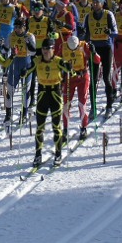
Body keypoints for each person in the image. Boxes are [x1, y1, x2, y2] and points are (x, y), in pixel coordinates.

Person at [23, 38, 73, 167]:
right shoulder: (37, 60)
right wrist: (24, 71)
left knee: (56, 127)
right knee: (40, 128)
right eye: (44, 49)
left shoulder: (58, 61)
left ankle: (58, 154)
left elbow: (70, 72)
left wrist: (69, 67)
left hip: (55, 94)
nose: (46, 51)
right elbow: (27, 71)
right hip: (42, 95)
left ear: (53, 49)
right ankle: (38, 155)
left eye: (49, 49)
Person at [61, 35, 95, 140]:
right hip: (69, 78)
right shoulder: (63, 46)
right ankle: (65, 129)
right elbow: (56, 60)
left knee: (81, 103)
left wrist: (93, 52)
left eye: (75, 48)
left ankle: (83, 128)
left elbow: (97, 60)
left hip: (82, 77)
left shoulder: (83, 46)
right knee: (66, 104)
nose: (73, 50)